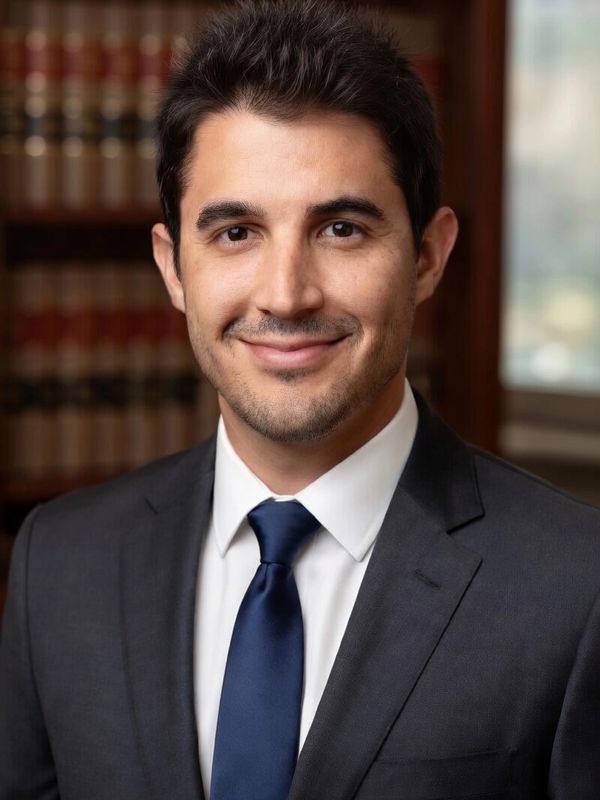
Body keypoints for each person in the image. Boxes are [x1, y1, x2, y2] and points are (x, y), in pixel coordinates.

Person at [1, 1, 599, 798]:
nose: (286, 295)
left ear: (427, 256)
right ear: (173, 267)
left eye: (342, 229)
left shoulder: (577, 589)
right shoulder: (60, 565)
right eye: (236, 233)